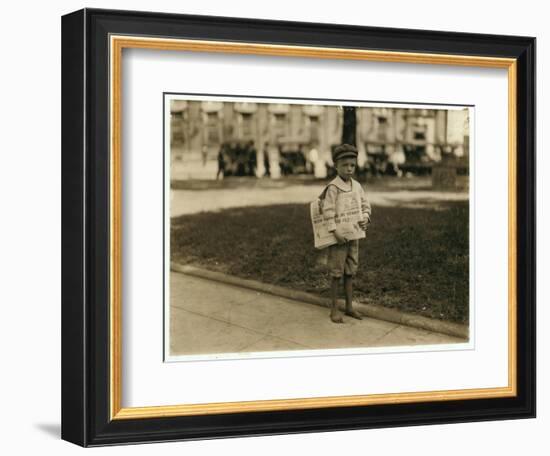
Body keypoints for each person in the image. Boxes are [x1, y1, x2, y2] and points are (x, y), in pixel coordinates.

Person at [320, 144, 371, 323]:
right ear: (336, 166)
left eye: (352, 165)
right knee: (336, 272)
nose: (349, 168)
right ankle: (334, 309)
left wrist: (365, 217)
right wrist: (334, 231)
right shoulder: (333, 187)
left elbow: (365, 205)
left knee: (350, 271)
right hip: (338, 238)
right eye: (345, 165)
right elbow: (327, 211)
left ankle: (349, 307)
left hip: (353, 236)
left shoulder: (356, 186)